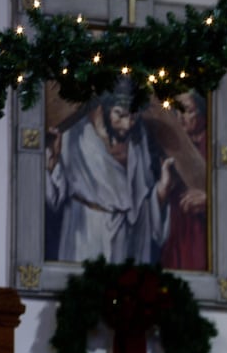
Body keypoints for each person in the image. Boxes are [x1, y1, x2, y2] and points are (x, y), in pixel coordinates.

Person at [45, 78, 174, 265]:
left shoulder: (138, 140)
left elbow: (141, 197)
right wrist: (53, 163)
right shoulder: (75, 135)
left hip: (132, 241)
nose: (127, 124)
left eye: (133, 116)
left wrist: (161, 191)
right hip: (88, 235)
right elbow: (54, 198)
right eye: (119, 115)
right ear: (104, 109)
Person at [160, 91, 209, 272]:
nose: (180, 118)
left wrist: (210, 202)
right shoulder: (173, 146)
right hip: (178, 229)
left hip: (203, 235)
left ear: (202, 111)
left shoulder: (214, 145)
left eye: (187, 111)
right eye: (176, 112)